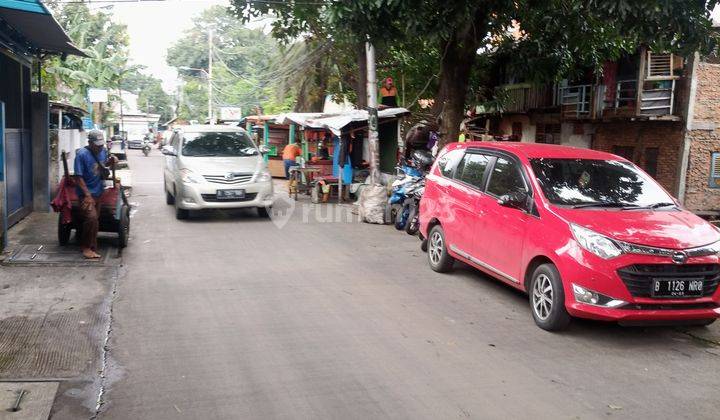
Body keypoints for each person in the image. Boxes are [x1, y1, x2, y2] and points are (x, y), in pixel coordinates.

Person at [73, 130, 117, 259]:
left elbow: (103, 165)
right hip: (86, 195)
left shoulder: (103, 151)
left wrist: (111, 161)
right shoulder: (82, 155)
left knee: (94, 220)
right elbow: (78, 177)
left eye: (101, 144)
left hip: (98, 192)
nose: (99, 147)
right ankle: (86, 247)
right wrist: (87, 195)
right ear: (90, 143)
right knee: (91, 218)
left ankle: (91, 246)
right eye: (97, 145)